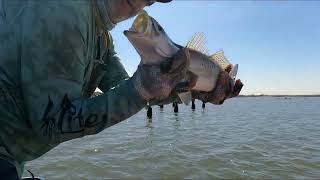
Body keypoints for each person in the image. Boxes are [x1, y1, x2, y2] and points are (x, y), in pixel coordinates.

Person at [0, 0, 242, 179]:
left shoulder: (101, 38)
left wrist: (191, 89)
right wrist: (141, 89)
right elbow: (51, 123)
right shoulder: (66, 10)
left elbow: (125, 87)